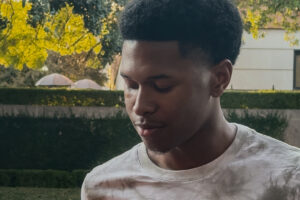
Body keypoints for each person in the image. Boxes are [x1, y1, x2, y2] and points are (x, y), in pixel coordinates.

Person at [81, 0, 300, 199]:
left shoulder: (289, 178)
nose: (139, 106)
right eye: (131, 85)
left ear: (219, 79)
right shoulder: (103, 188)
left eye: (161, 86)